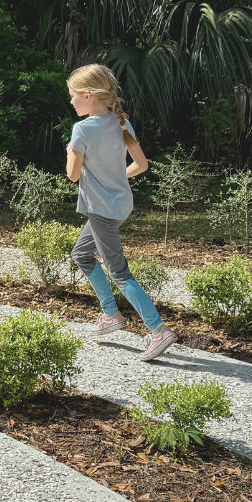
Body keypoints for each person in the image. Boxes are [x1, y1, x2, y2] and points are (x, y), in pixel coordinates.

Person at [65, 64, 177, 362]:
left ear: (88, 95)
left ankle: (159, 330)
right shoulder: (121, 122)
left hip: (101, 211)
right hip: (118, 206)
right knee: (81, 254)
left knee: (119, 272)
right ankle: (111, 313)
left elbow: (73, 175)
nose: (72, 101)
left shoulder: (82, 129)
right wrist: (114, 179)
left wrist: (70, 151)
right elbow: (141, 165)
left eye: (74, 95)